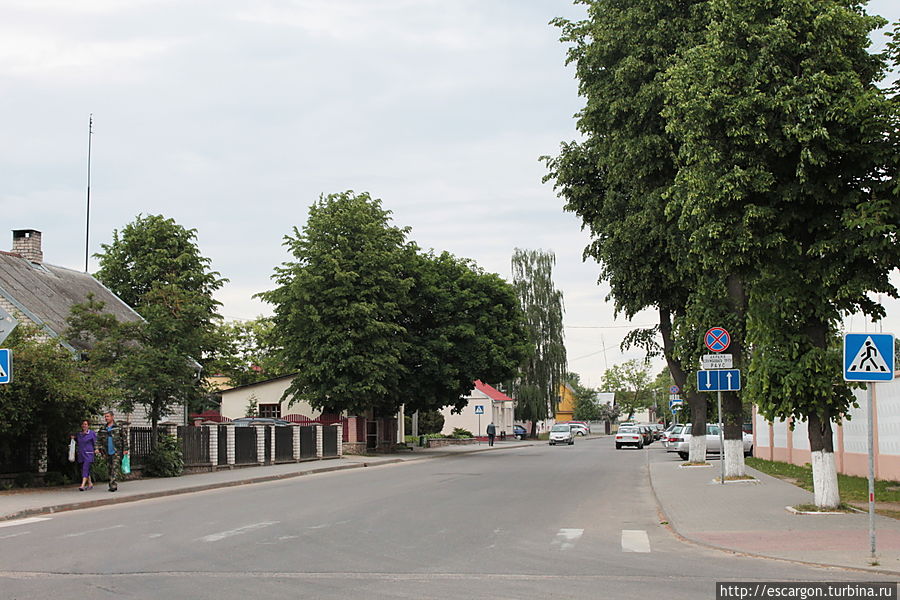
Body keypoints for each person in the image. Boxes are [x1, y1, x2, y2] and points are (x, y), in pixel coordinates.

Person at [96, 411, 129, 492]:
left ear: (112, 417)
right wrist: (97, 448)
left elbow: (124, 439)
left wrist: (125, 449)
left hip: (117, 451)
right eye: (105, 417)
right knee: (109, 468)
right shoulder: (103, 429)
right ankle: (111, 483)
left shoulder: (118, 427)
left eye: (108, 416)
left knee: (115, 468)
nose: (106, 418)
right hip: (106, 452)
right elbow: (98, 439)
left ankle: (113, 485)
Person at [72, 420, 97, 491]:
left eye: (86, 424)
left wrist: (96, 449)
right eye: (83, 424)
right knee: (84, 468)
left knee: (85, 468)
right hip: (81, 454)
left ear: (88, 426)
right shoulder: (79, 434)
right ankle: (90, 483)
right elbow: (76, 440)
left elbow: (96, 442)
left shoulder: (91, 433)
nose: (84, 426)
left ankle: (82, 485)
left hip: (89, 453)